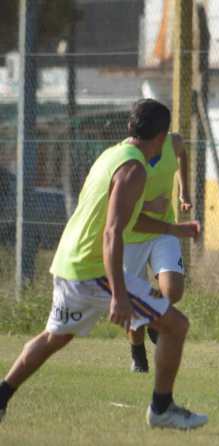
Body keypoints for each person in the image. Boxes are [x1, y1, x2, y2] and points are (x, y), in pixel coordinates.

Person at [0, 99, 208, 429]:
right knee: (176, 325)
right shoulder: (135, 169)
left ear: (130, 128)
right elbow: (112, 233)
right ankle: (162, 408)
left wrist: (171, 229)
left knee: (55, 337)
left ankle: (1, 396)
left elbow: (123, 218)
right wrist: (120, 296)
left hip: (69, 263)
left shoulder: (112, 156)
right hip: (92, 270)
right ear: (161, 136)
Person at [125, 131, 192, 373]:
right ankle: (138, 356)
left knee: (173, 290)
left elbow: (182, 153)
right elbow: (112, 197)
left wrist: (183, 190)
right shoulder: (125, 154)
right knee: (133, 298)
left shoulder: (172, 142)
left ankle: (154, 319)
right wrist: (148, 205)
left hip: (163, 230)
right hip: (130, 234)